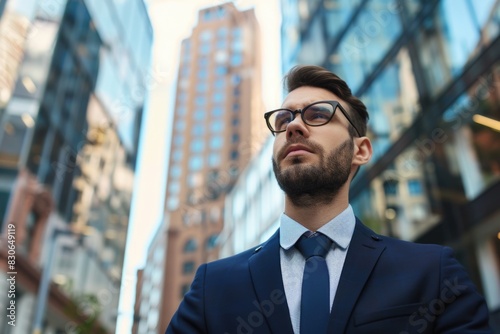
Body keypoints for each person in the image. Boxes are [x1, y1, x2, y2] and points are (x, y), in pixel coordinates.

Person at [166, 65, 492, 333]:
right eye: (283, 120)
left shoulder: (432, 272)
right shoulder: (214, 287)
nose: (294, 126)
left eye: (318, 115)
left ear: (360, 150)